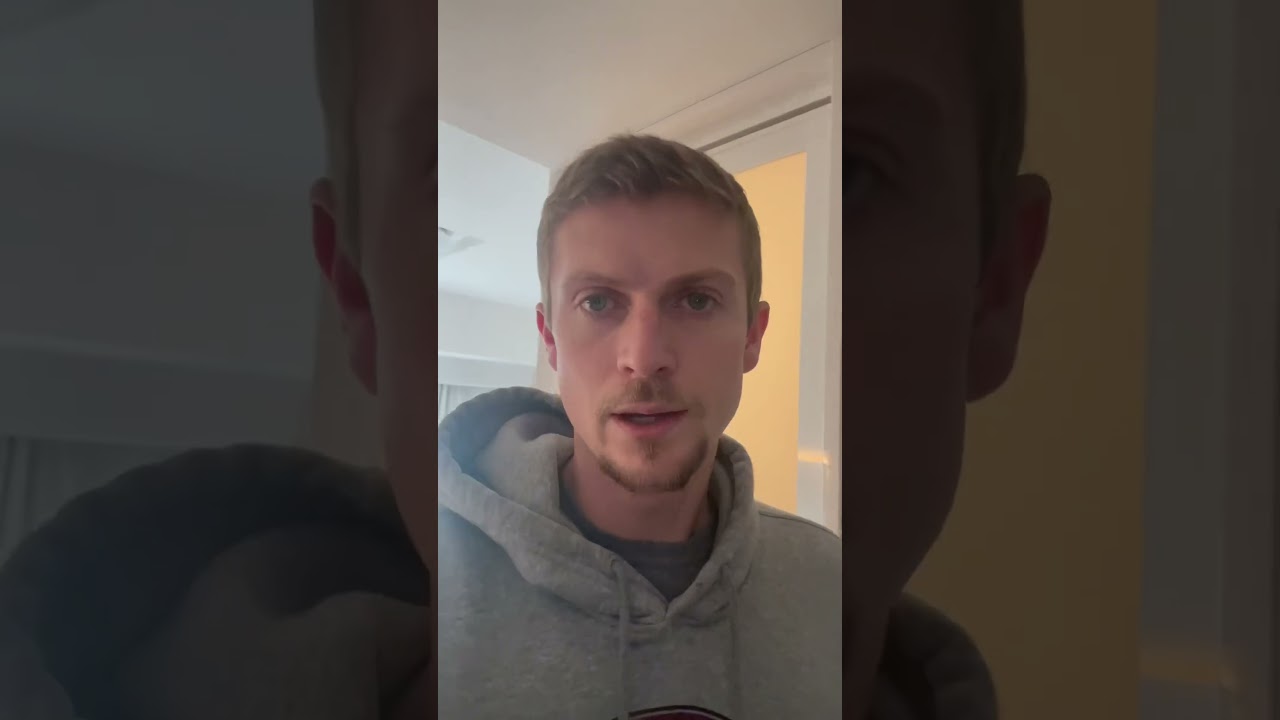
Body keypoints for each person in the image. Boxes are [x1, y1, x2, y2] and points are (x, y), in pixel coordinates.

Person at [0, 0, 1051, 717]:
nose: (645, 357)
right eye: (599, 302)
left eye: (856, 174)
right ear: (356, 294)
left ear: (993, 290)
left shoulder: (808, 573)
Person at [435, 131, 842, 718]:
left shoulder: (832, 585)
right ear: (550, 339)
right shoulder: (422, 588)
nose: (645, 357)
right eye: (599, 302)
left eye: (696, 300)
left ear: (753, 338)